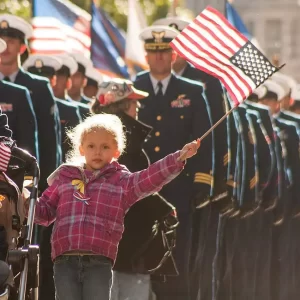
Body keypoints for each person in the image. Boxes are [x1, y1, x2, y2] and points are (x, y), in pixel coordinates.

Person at [24, 113, 200, 300]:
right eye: (91, 146)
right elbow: (44, 213)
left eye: (105, 147)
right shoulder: (64, 178)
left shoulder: (121, 181)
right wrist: (25, 202)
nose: (97, 152)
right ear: (81, 148)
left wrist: (178, 158)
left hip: (99, 262)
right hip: (64, 260)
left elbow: (150, 178)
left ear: (116, 151)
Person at [135, 24, 213, 300]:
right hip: (140, 186)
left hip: (179, 186)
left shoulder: (191, 91)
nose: (158, 58)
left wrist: (202, 182)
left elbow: (203, 140)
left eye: (164, 52)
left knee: (180, 252)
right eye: (153, 52)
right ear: (145, 55)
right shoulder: (134, 87)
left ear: (174, 54)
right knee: (141, 250)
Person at [91, 79, 179, 300]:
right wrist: (164, 210)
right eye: (133, 102)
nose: (137, 107)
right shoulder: (120, 139)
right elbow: (133, 183)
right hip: (124, 239)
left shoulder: (92, 136)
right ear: (121, 105)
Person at [0, 14, 61, 192]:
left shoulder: (38, 87)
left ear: (22, 47)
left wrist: (43, 187)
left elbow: (48, 141)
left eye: (10, 40)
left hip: (20, 180)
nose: (5, 46)